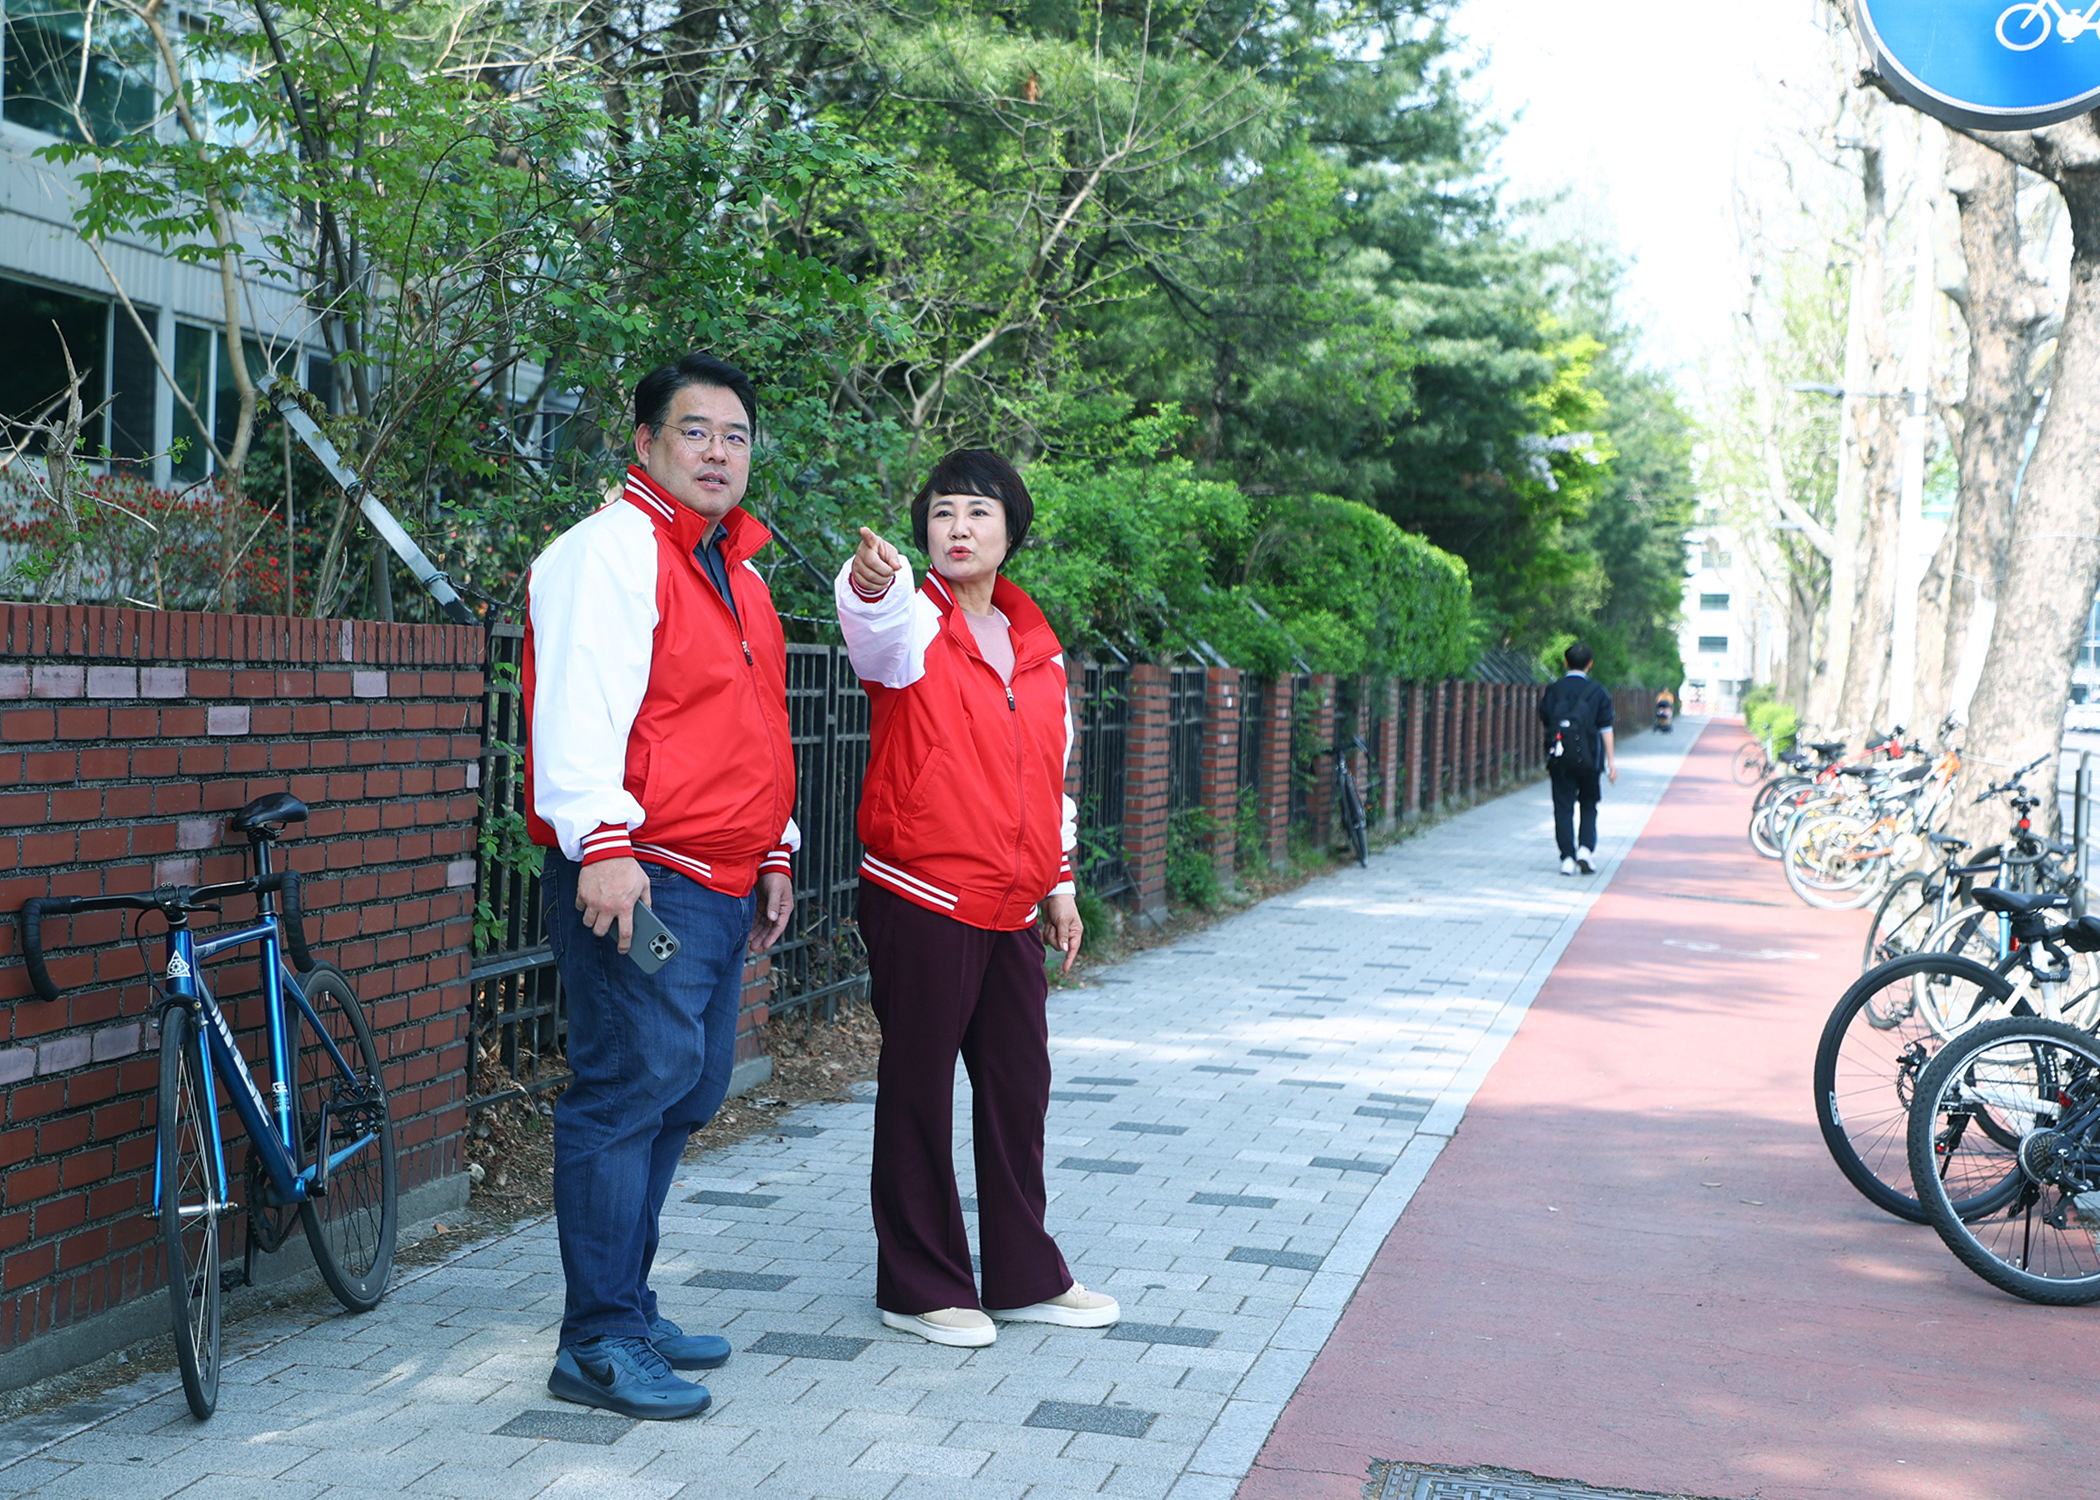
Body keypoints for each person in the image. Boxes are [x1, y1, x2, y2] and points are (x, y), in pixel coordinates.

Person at [524, 352, 800, 1420]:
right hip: (642, 875)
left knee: (683, 1092)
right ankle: (593, 1341)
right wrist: (599, 841)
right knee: (624, 1092)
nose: (718, 452)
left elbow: (754, 726)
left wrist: (774, 846)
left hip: (722, 879)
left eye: (734, 436)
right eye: (695, 432)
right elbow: (579, 705)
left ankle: (626, 1307)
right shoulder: (610, 552)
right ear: (645, 444)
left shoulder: (739, 569)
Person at [834, 449, 1119, 1349]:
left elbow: (1049, 776)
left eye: (978, 514)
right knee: (918, 1089)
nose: (958, 529)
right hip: (922, 891)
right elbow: (869, 627)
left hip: (1012, 902)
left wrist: (1060, 882)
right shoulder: (912, 622)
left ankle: (1026, 1275)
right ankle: (918, 1286)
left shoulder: (1040, 649)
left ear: (1011, 533)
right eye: (943, 513)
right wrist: (867, 580)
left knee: (1016, 1086)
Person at [1537, 640, 1616, 875]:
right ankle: (1585, 850)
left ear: (1565, 662)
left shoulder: (1553, 690)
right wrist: (1611, 762)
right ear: (1590, 665)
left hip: (1560, 759)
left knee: (1563, 807)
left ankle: (1567, 858)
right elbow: (1606, 728)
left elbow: (1546, 719)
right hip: (1591, 760)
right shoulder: (1599, 692)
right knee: (1589, 804)